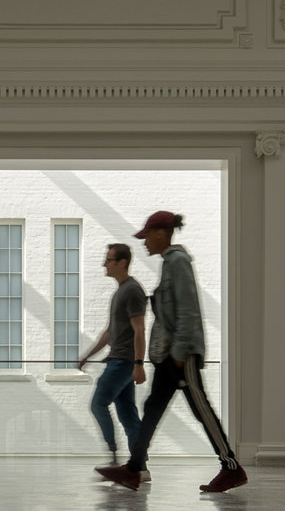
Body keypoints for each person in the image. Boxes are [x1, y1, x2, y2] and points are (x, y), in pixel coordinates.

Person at [97, 211, 246, 494]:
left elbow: (188, 310)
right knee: (151, 409)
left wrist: (179, 354)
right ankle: (133, 469)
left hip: (181, 356)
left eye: (147, 236)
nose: (144, 243)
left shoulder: (178, 262)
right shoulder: (168, 264)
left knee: (202, 410)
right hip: (167, 356)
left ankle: (231, 467)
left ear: (161, 233)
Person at [76, 242, 149, 483]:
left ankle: (114, 456)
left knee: (98, 404)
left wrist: (139, 363)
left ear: (122, 263)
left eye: (108, 260)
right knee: (128, 414)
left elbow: (140, 330)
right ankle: (140, 468)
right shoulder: (120, 291)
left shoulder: (132, 290)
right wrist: (88, 355)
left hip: (123, 362)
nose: (104, 264)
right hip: (120, 360)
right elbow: (109, 332)